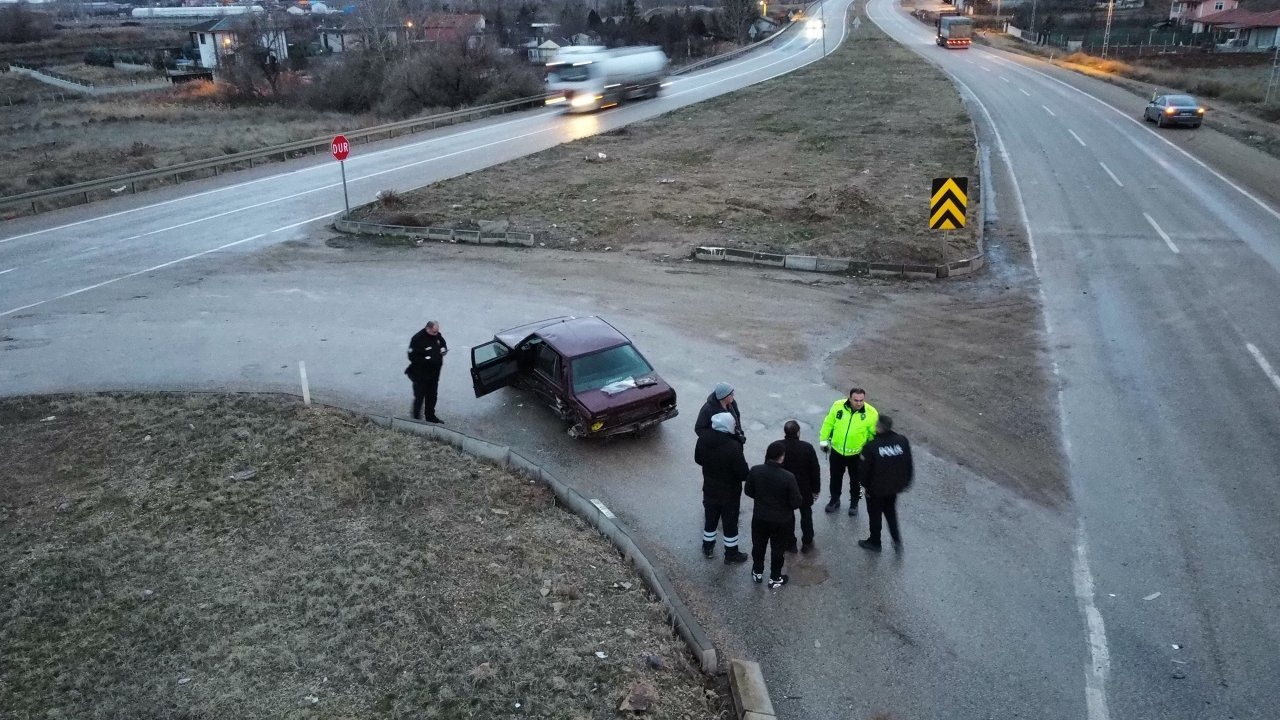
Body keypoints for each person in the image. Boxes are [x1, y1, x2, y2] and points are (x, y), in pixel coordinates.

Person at [745, 440, 802, 589]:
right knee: (778, 549)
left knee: (758, 545)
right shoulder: (788, 477)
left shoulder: (756, 470)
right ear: (781, 457)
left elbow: (748, 491)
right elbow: (796, 502)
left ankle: (757, 571)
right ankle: (775, 577)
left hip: (760, 518)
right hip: (781, 520)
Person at [695, 412, 750, 564]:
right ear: (726, 426)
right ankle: (731, 554)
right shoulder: (733, 446)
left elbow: (698, 459)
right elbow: (743, 473)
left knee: (710, 520)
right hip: (729, 494)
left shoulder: (703, 439)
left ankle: (707, 547)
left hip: (710, 489)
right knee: (730, 524)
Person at [819, 387, 878, 517]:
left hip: (857, 454)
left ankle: (855, 503)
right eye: (856, 400)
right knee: (835, 478)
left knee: (856, 481)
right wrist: (823, 440)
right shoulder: (838, 406)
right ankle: (834, 500)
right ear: (849, 398)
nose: (858, 403)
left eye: (861, 400)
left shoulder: (871, 413)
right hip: (837, 451)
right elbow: (828, 422)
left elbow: (873, 435)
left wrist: (870, 452)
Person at [857, 414, 913, 552]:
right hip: (894, 488)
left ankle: (875, 542)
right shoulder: (902, 441)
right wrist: (906, 482)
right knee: (891, 513)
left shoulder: (871, 446)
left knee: (875, 515)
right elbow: (908, 463)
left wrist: (864, 486)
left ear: (878, 427)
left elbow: (864, 471)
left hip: (875, 489)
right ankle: (897, 541)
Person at [781, 420, 822, 554]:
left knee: (788, 517)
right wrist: (816, 489)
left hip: (786, 490)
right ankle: (807, 542)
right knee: (806, 515)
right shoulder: (807, 448)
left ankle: (790, 543)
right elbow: (815, 470)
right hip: (804, 489)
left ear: (785, 432)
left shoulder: (778, 447)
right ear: (798, 432)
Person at [406, 320, 448, 423]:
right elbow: (412, 357)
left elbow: (442, 343)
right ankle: (416, 419)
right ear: (427, 328)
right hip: (421, 375)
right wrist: (428, 359)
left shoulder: (437, 335)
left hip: (434, 375)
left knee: (432, 397)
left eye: (437, 331)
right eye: (434, 332)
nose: (436, 334)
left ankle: (430, 417)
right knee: (419, 397)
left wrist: (443, 349)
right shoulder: (417, 339)